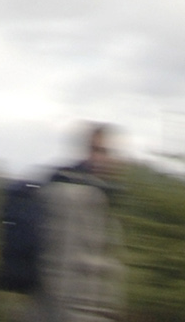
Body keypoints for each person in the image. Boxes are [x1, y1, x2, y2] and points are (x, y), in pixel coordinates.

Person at [31, 124, 125, 322]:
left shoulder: (100, 195)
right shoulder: (72, 195)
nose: (102, 158)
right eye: (97, 150)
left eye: (107, 152)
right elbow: (62, 271)